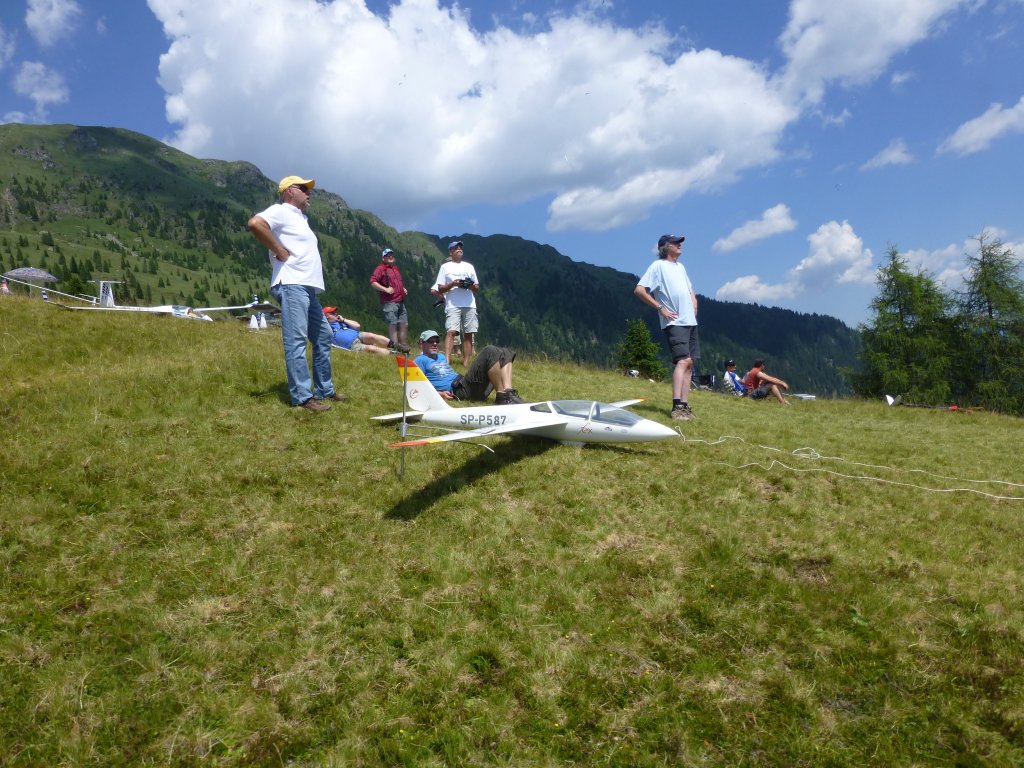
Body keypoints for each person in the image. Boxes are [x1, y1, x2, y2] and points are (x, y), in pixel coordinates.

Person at [247, 175, 345, 412]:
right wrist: (279, 250)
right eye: (304, 188)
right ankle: (302, 397)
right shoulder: (281, 210)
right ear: (289, 191)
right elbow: (255, 223)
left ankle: (324, 390)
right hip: (292, 284)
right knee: (296, 340)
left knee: (324, 336)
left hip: (306, 287)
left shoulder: (301, 218)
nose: (309, 193)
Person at [634, 233, 700, 421]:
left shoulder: (681, 267)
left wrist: (694, 298)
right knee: (683, 361)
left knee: (690, 363)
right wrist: (660, 308)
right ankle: (676, 406)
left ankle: (685, 406)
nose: (680, 245)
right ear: (665, 247)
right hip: (674, 322)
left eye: (680, 242)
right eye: (676, 242)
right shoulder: (658, 266)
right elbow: (639, 290)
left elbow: (689, 287)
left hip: (690, 321)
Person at [413, 329, 524, 405]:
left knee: (506, 352)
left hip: (466, 385)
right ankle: (502, 397)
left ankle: (508, 393)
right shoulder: (420, 360)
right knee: (489, 351)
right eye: (430, 341)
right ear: (421, 344)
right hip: (458, 390)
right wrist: (440, 394)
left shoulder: (441, 356)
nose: (435, 344)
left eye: (437, 341)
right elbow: (415, 387)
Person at [431, 240, 479, 367]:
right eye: (456, 248)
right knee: (451, 332)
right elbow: (440, 288)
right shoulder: (445, 267)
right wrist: (453, 284)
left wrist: (468, 285)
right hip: (453, 304)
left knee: (468, 334)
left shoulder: (469, 266)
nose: (459, 249)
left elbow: (477, 287)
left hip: (469, 304)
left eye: (460, 247)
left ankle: (466, 362)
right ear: (450, 252)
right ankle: (447, 361)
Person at [323, 306, 410, 355]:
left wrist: (344, 320)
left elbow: (357, 326)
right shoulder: (325, 327)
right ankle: (395, 355)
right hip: (350, 345)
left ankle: (397, 346)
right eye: (333, 313)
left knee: (372, 336)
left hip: (358, 335)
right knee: (371, 348)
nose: (336, 314)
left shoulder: (341, 321)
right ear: (326, 316)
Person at [369, 248, 409, 349]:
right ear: (383, 258)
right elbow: (373, 282)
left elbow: (397, 282)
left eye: (392, 255)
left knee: (404, 323)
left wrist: (403, 288)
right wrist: (385, 289)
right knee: (393, 323)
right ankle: (395, 347)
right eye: (388, 255)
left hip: (400, 300)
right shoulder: (380, 268)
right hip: (390, 301)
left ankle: (403, 345)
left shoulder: (395, 268)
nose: (391, 256)